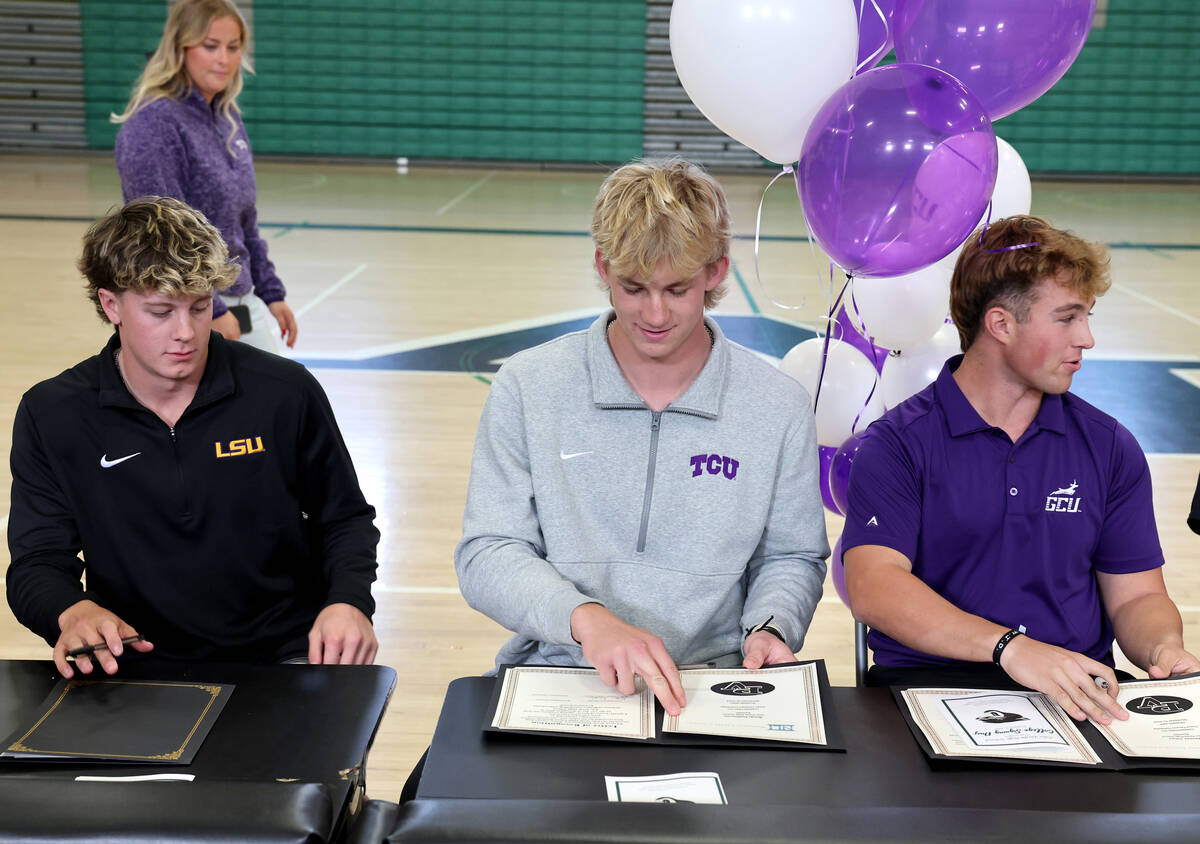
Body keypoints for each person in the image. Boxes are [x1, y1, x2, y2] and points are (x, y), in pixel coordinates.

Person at [454, 157, 829, 716]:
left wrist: (773, 625)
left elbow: (793, 555)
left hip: (713, 688)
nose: (655, 314)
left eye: (677, 289)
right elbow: (488, 551)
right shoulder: (528, 386)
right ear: (603, 267)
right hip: (561, 676)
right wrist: (588, 622)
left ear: (716, 271)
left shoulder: (778, 406)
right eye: (634, 288)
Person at [842, 214, 1198, 724]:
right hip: (926, 693)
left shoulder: (1108, 445)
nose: (1088, 339)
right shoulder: (897, 443)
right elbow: (875, 587)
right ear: (1001, 324)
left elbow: (1137, 595)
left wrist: (1162, 648)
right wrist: (1011, 648)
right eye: (1068, 318)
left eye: (1087, 317)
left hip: (1077, 695)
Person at [6, 196, 379, 679]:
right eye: (160, 311)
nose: (186, 332)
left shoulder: (285, 392)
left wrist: (348, 602)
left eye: (200, 308)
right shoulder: (51, 413)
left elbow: (345, 518)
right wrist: (72, 611)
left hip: (284, 657)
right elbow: (36, 561)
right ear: (110, 304)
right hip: (131, 663)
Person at [112, 0, 297, 353]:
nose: (224, 59)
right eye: (210, 46)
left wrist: (271, 293)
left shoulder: (227, 118)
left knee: (284, 399)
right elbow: (162, 236)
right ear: (180, 48)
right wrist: (210, 307)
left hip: (236, 303)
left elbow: (245, 222)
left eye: (233, 47)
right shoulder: (153, 125)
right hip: (184, 313)